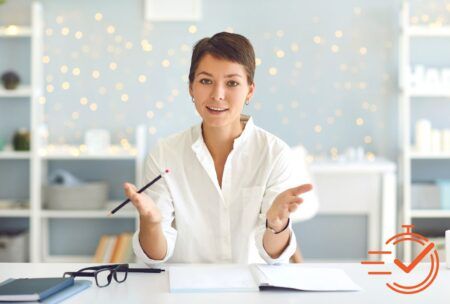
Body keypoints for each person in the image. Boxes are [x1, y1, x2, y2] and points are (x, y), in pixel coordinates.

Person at [124, 32, 317, 265]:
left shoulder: (275, 154)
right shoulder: (165, 154)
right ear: (191, 87)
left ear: (250, 90)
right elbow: (155, 256)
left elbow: (273, 255)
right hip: (185, 292)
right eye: (206, 81)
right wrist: (152, 223)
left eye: (232, 83)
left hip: (253, 290)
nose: (217, 95)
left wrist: (276, 225)